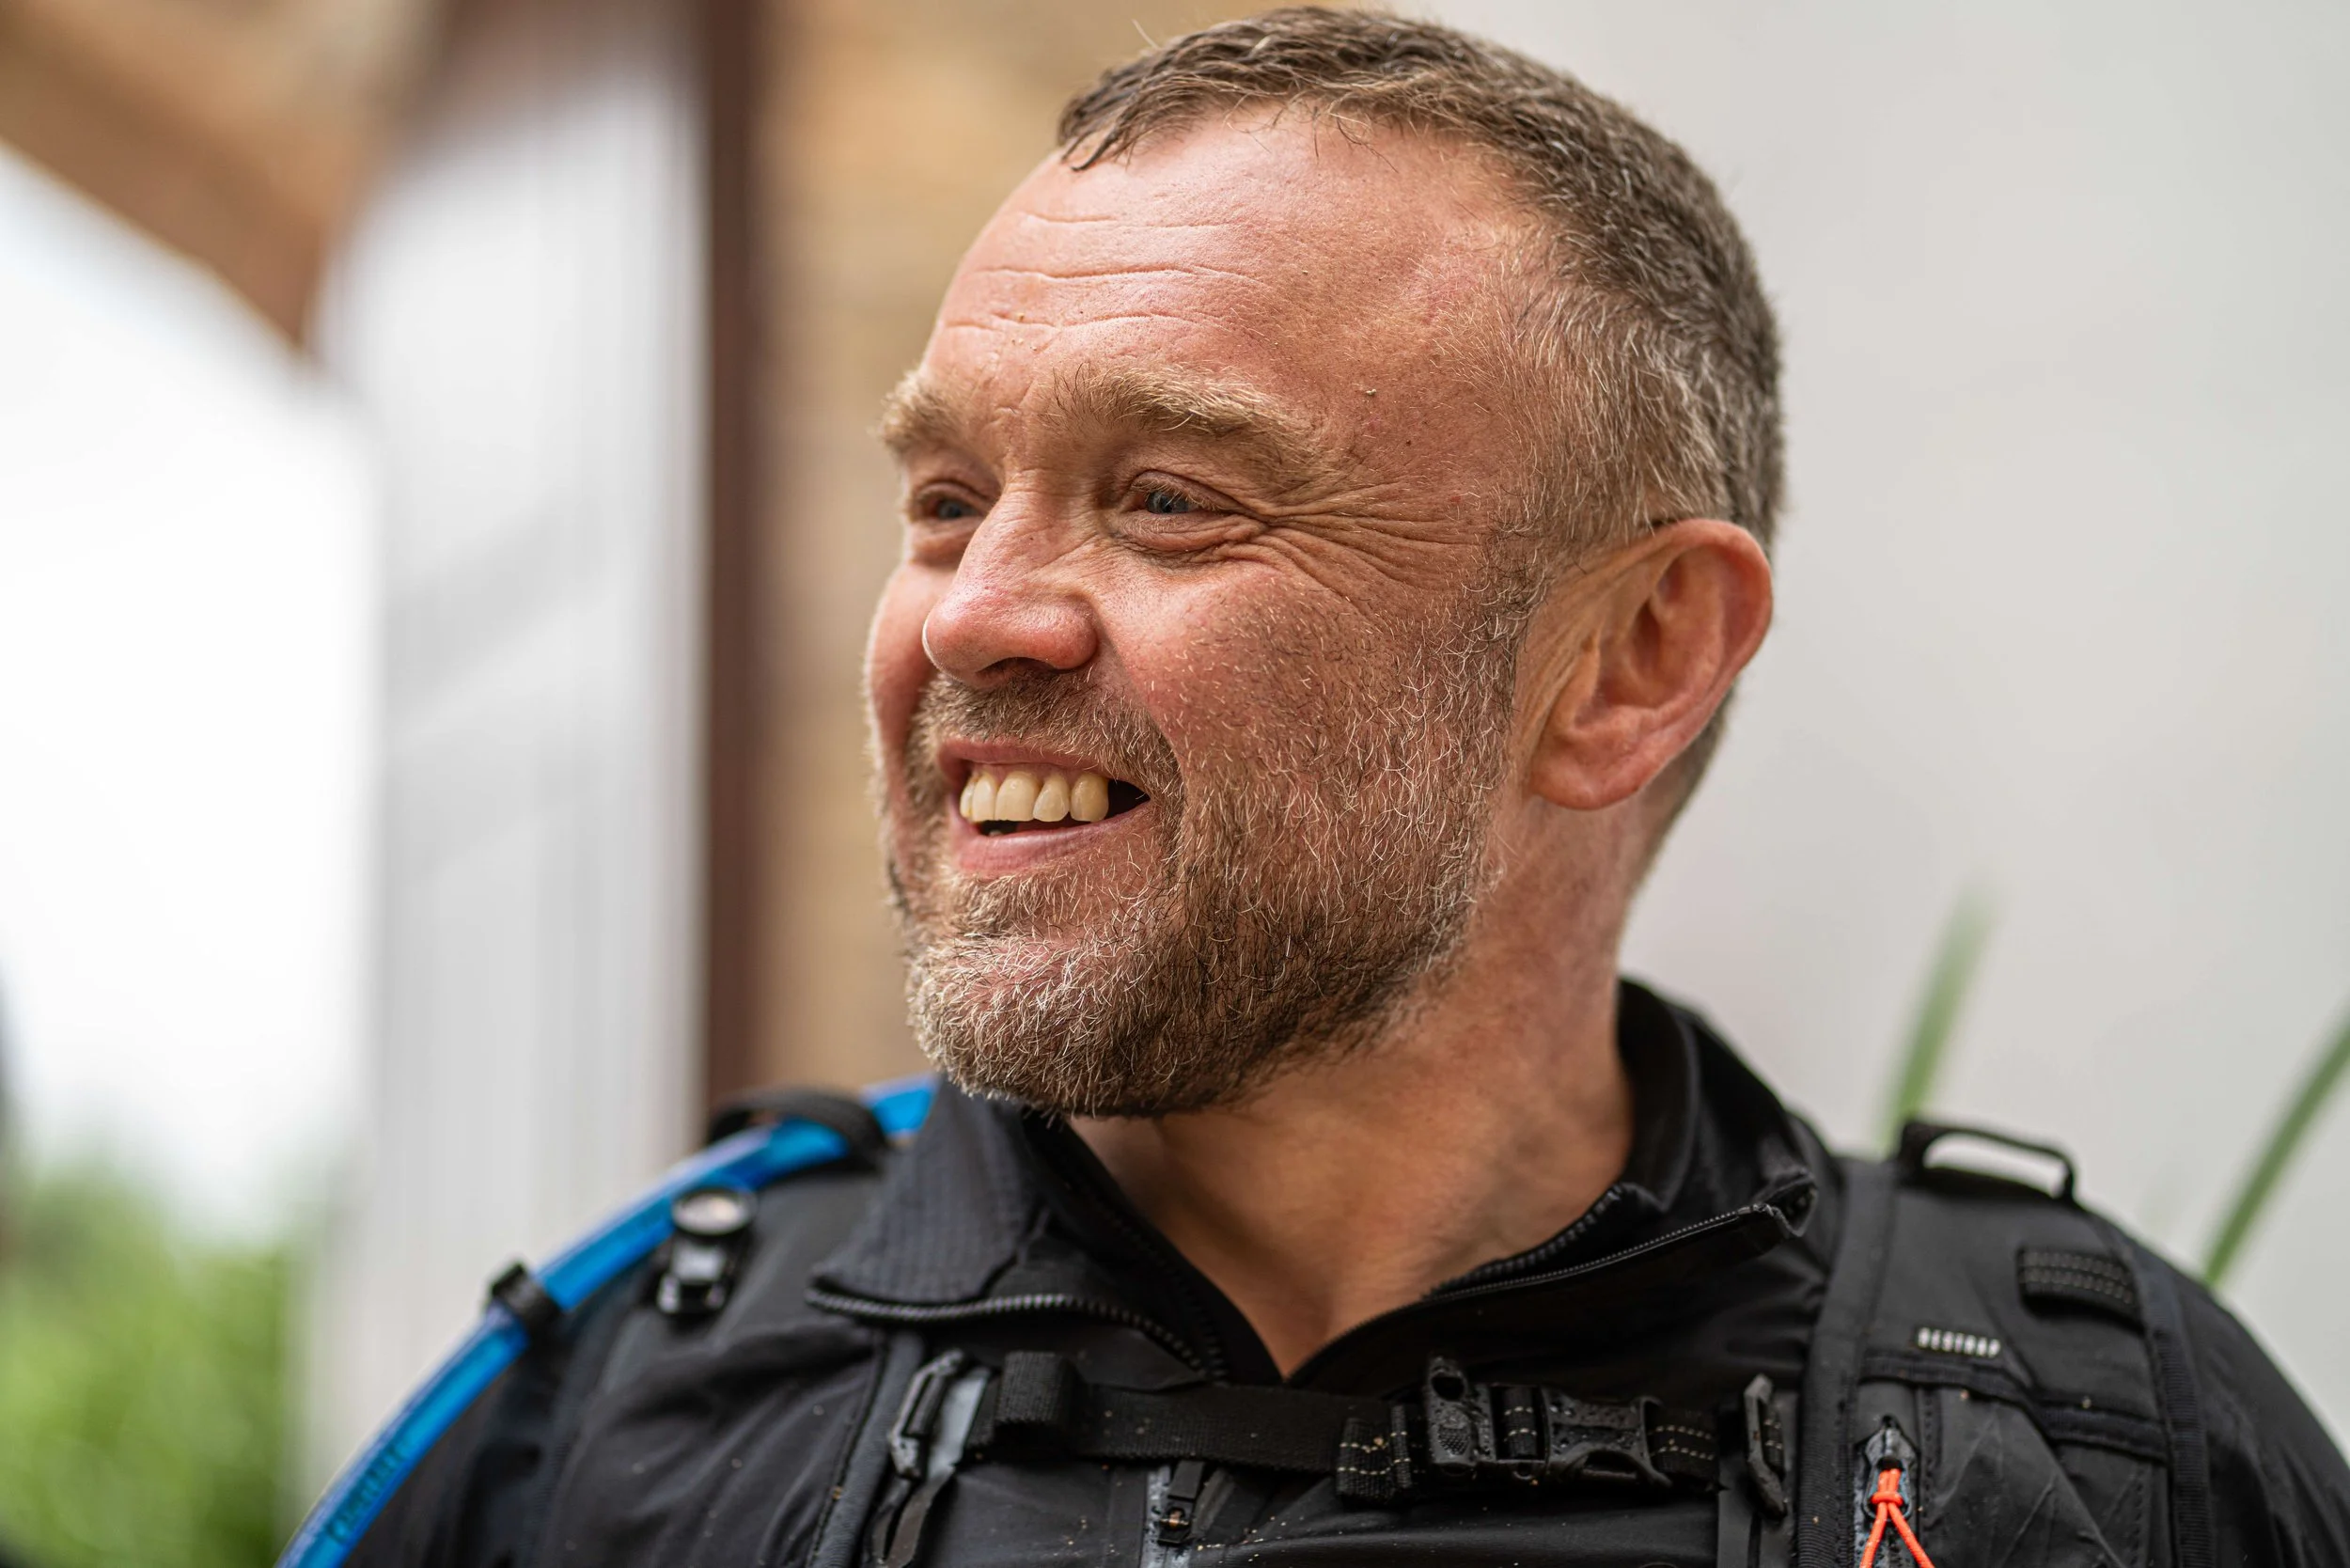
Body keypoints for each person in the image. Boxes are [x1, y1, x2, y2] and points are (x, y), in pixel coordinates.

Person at [321, 9, 2350, 1566]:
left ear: (1626, 661)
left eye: (1170, 498)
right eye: (944, 500)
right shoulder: (620, 1419)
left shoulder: (2095, 1454)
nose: (974, 619)